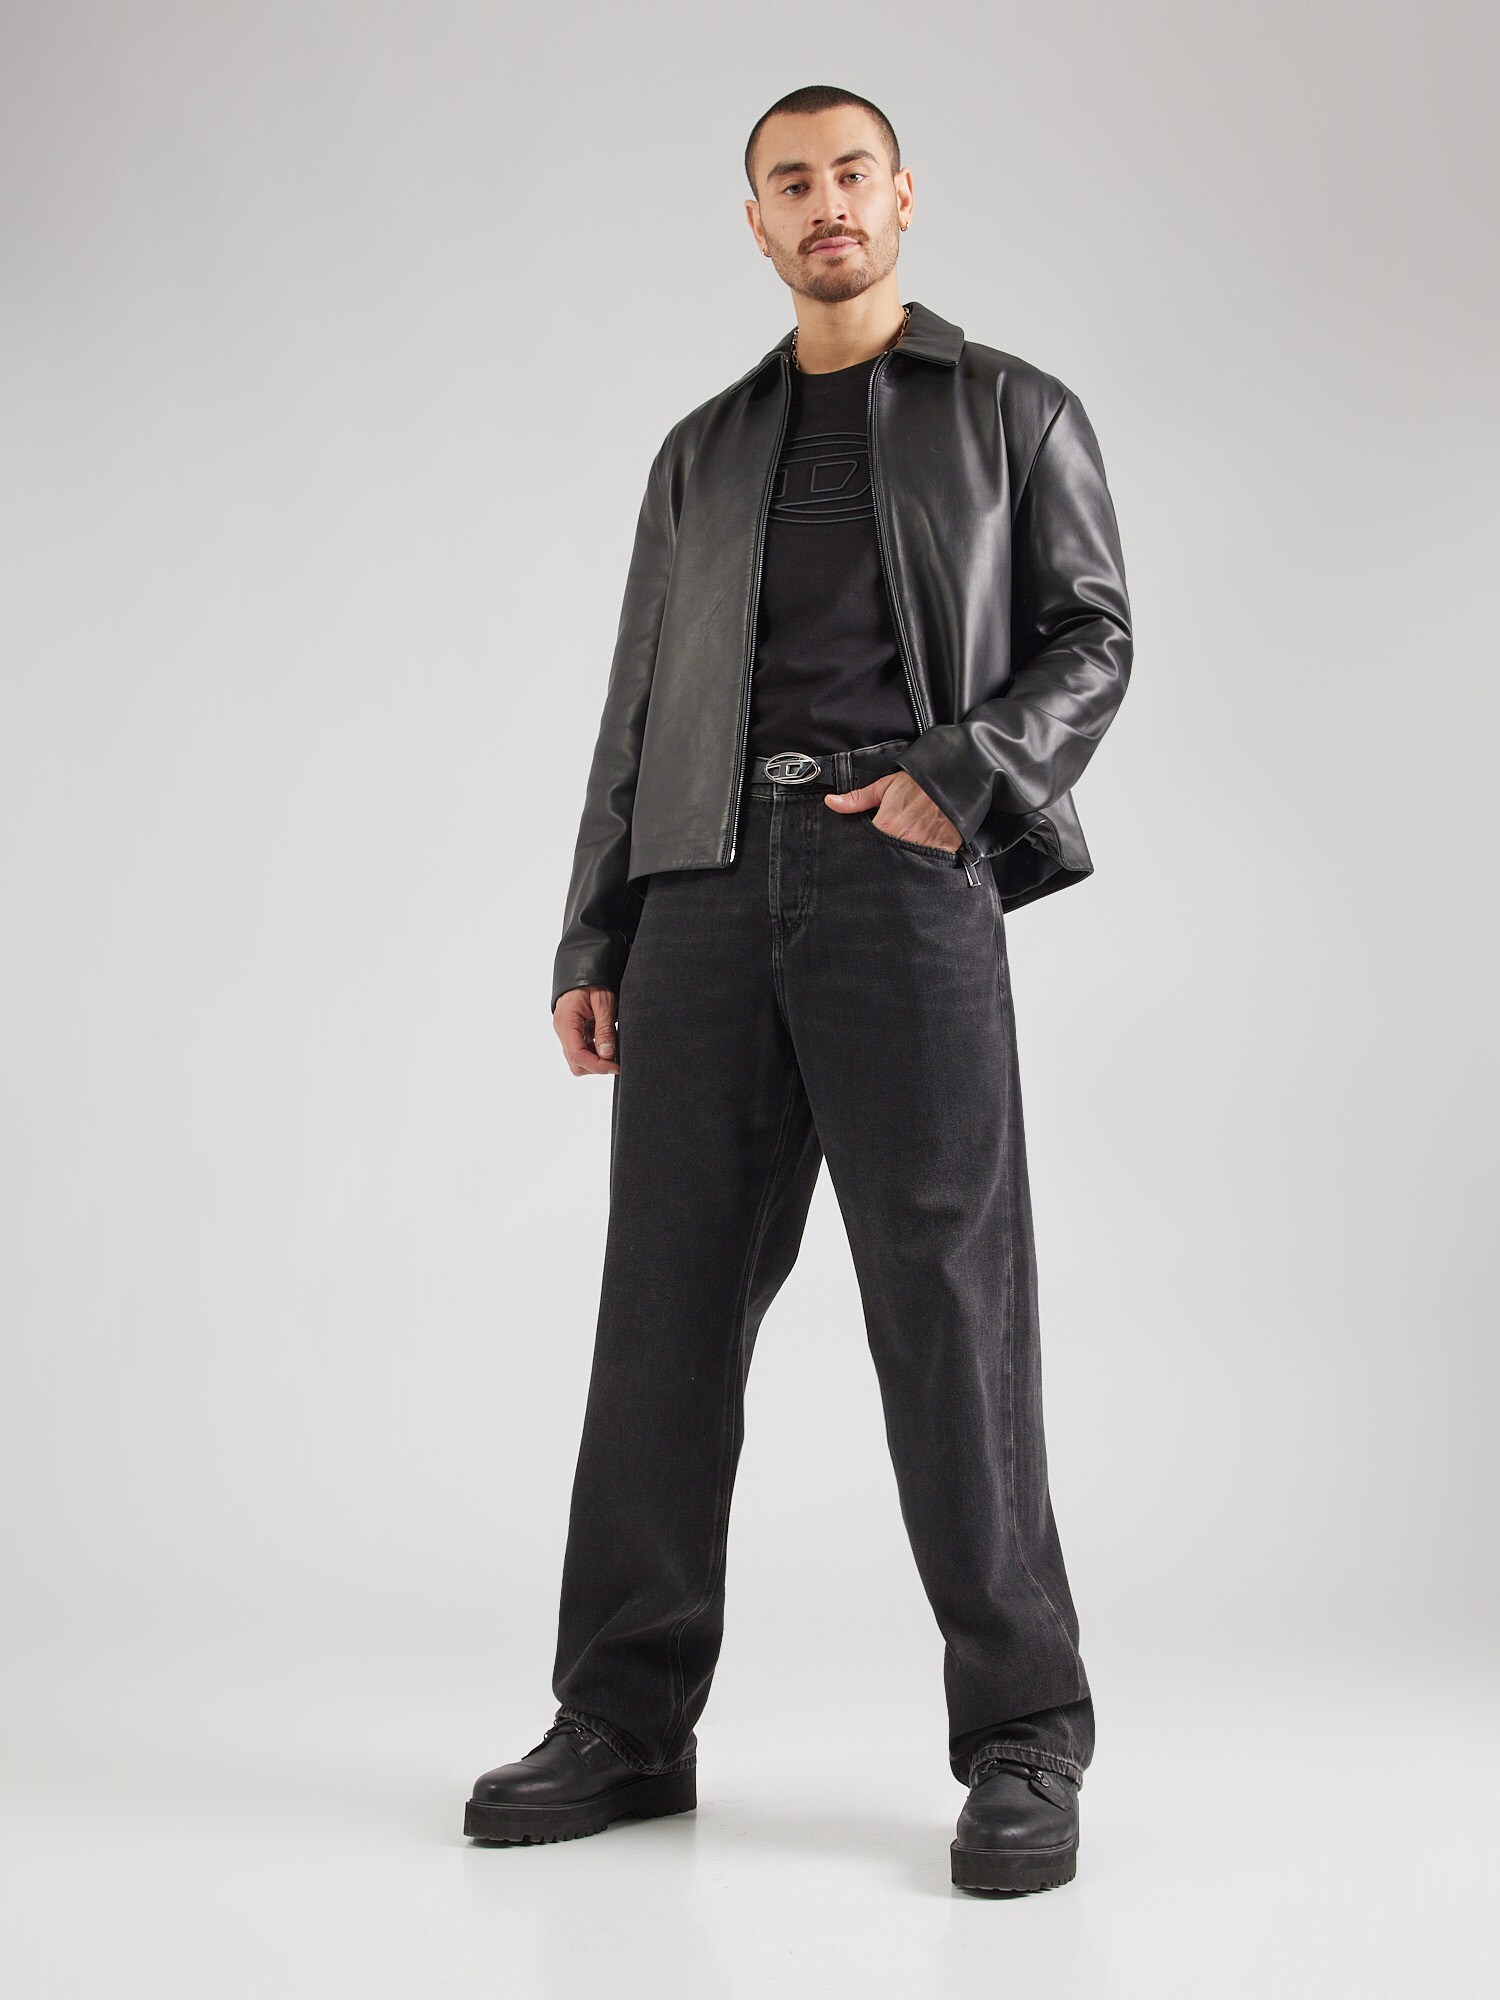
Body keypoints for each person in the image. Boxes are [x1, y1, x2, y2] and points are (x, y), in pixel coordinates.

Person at [464, 82, 1133, 1897]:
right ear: (754, 221)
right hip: (700, 892)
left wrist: (962, 778)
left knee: (950, 1310)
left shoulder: (1013, 411)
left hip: (903, 879)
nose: (825, 203)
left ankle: (1024, 1738)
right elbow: (634, 708)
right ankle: (623, 1721)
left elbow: (1094, 636)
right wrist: (595, 932)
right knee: (663, 1316)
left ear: (903, 196)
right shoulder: (701, 451)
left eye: (851, 174)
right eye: (791, 182)